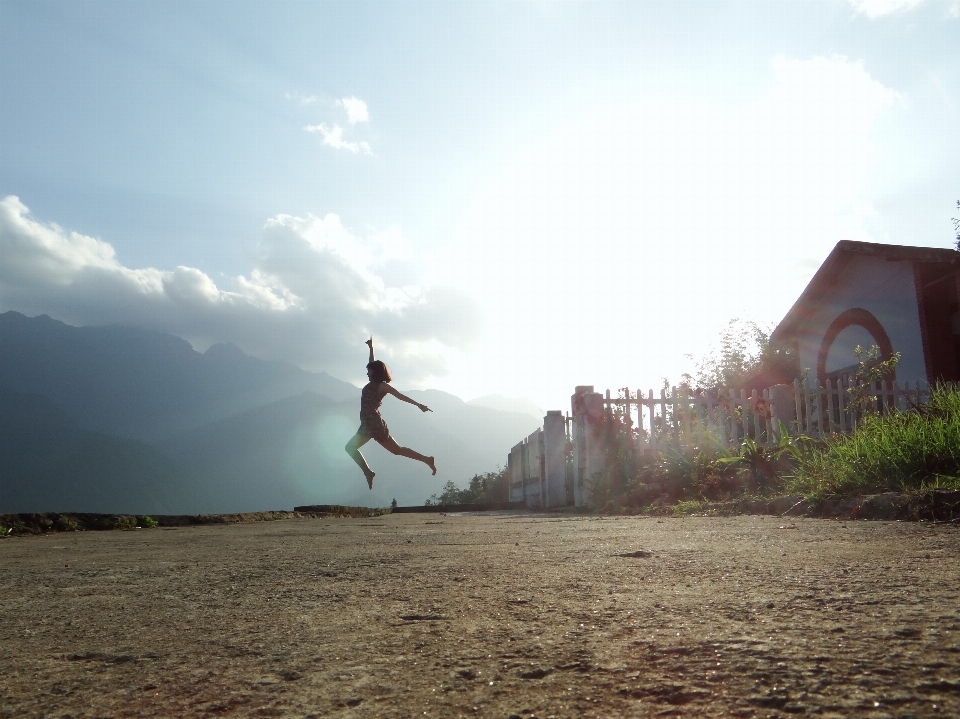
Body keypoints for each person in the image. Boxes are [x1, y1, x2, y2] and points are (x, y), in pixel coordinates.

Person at [344, 337, 437, 489]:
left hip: (372, 423)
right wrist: (371, 349)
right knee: (397, 450)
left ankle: (368, 472)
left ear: (375, 372)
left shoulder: (382, 386)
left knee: (350, 448)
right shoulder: (373, 382)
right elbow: (372, 362)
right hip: (368, 422)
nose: (367, 372)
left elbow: (399, 395)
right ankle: (427, 460)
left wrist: (419, 405)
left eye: (369, 370)